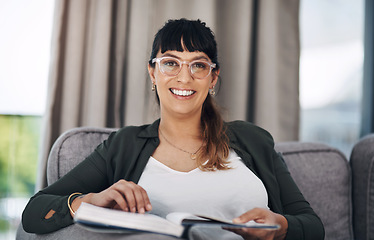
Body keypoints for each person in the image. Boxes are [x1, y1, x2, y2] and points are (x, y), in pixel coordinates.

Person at [22, 18, 324, 240]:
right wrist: (88, 201)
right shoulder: (123, 145)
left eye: (198, 65)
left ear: (213, 77)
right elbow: (34, 212)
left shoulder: (252, 139)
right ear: (153, 72)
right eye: (171, 63)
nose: (184, 77)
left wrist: (279, 226)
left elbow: (313, 226)